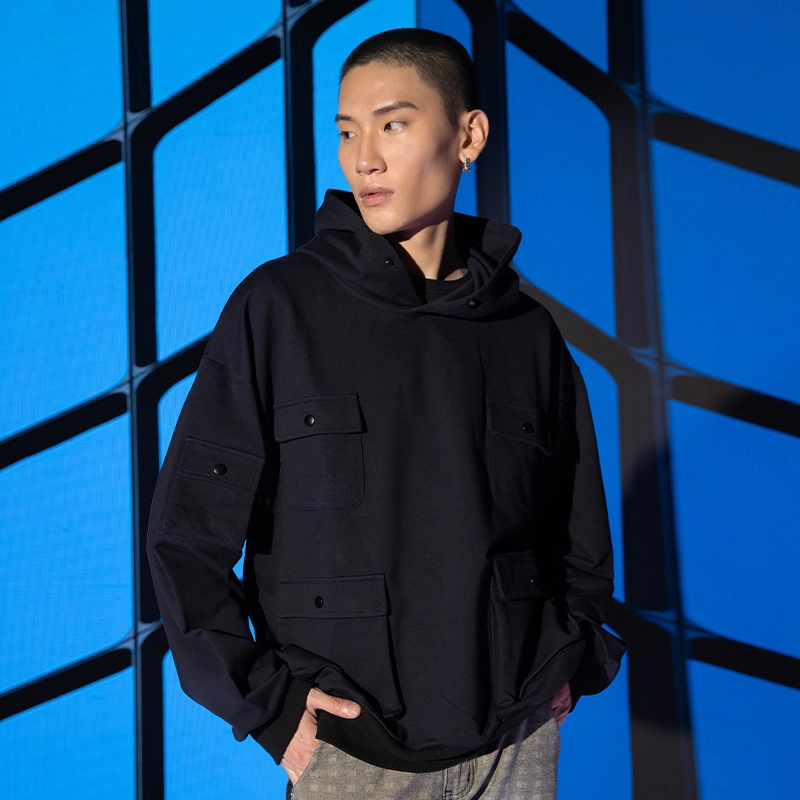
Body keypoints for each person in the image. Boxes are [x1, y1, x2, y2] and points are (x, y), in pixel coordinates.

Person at [146, 27, 625, 800]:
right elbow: (185, 536)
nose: (361, 157)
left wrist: (568, 658)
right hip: (350, 753)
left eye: (392, 124)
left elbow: (579, 537)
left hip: (517, 744)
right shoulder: (278, 308)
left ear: (468, 136)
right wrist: (268, 706)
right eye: (346, 131)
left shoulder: (526, 334)